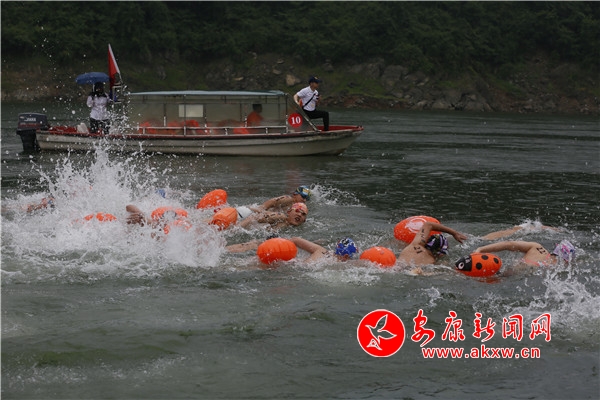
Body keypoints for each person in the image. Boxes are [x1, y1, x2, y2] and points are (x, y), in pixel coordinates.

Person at [226, 236, 359, 263]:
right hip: (291, 269)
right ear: (346, 257)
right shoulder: (339, 266)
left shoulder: (320, 250)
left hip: (291, 263)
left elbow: (295, 239)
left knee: (251, 261)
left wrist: (279, 245)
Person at [397, 221, 468, 267]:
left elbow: (428, 224)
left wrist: (454, 233)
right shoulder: (431, 262)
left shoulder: (416, 244)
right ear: (440, 253)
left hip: (395, 267)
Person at [474, 240, 575, 267]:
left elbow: (509, 244)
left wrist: (481, 249)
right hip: (505, 279)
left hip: (503, 269)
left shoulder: (536, 247)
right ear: (566, 261)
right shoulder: (552, 268)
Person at [238, 202, 309, 231]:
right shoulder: (280, 217)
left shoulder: (292, 226)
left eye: (303, 214)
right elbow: (254, 217)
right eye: (297, 211)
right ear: (289, 212)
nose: (299, 215)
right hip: (243, 214)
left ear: (304, 220)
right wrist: (236, 228)